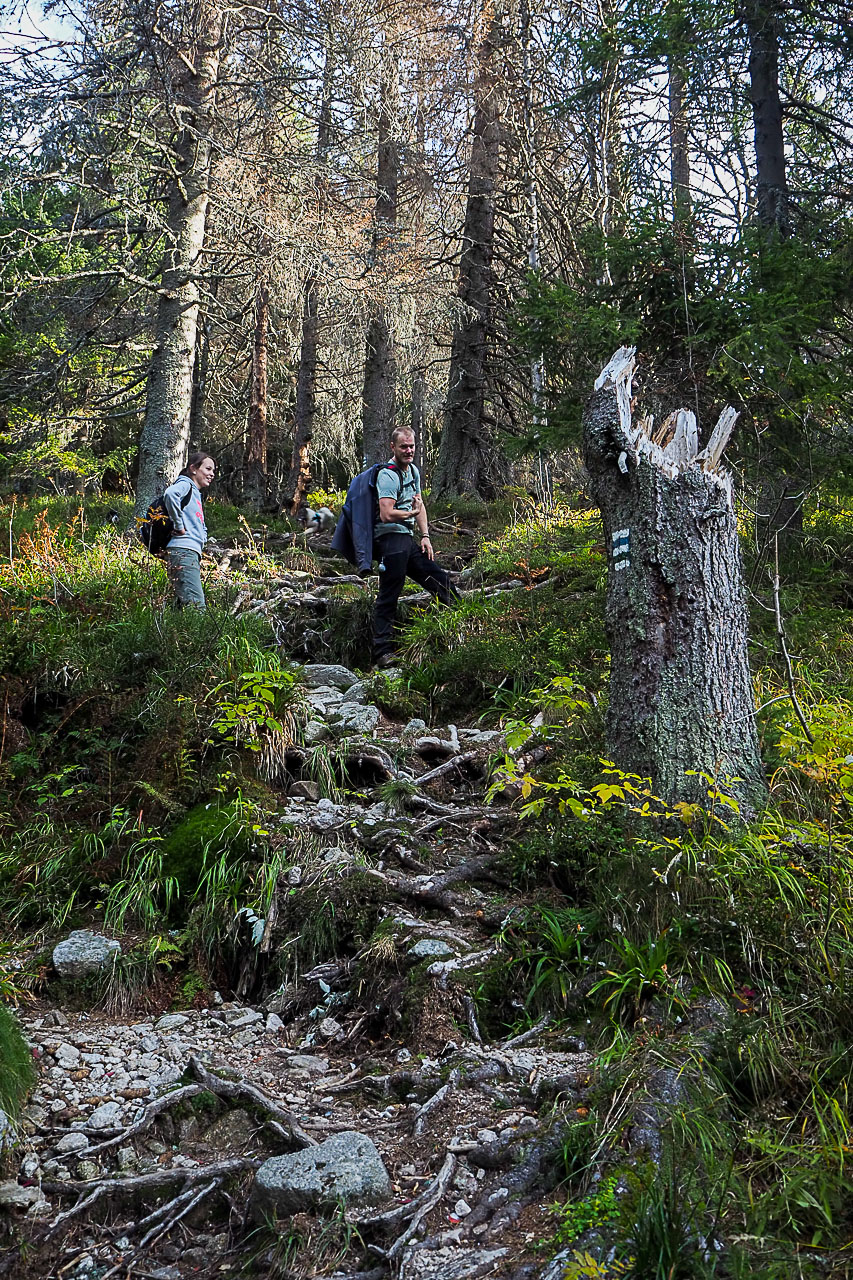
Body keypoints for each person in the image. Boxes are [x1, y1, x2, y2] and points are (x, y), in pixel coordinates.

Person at [373, 428, 459, 667]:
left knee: (439, 579)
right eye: (403, 447)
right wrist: (408, 513)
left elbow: (419, 505)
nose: (409, 451)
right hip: (390, 541)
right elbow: (387, 513)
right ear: (393, 447)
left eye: (411, 446)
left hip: (407, 540)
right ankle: (383, 652)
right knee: (390, 593)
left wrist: (425, 536)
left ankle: (462, 624)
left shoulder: (413, 471)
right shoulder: (388, 476)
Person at [163, 452, 215, 609]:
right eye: (208, 469)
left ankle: (173, 633)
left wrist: (203, 536)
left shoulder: (195, 493)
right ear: (193, 468)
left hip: (188, 552)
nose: (212, 474)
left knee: (182, 607)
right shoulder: (185, 484)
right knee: (197, 607)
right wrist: (179, 526)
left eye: (213, 470)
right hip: (183, 551)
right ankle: (201, 634)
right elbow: (170, 494)